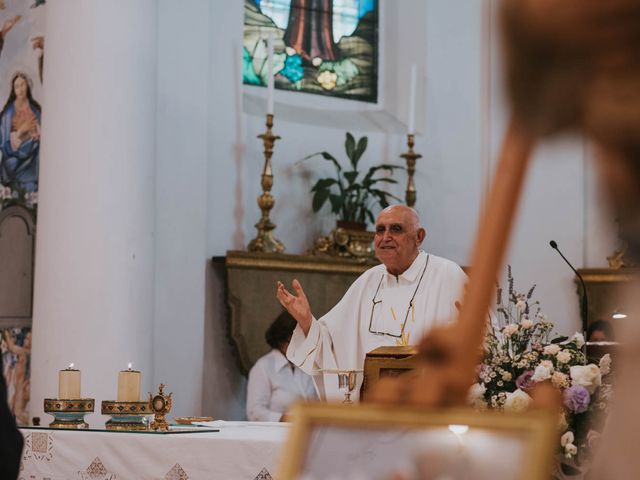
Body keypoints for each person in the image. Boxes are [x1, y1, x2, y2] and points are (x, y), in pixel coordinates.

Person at [276, 205, 467, 400]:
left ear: (419, 237)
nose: (385, 237)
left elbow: (485, 341)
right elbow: (330, 343)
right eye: (380, 230)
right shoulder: (368, 281)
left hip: (429, 407)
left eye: (396, 229)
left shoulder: (448, 276)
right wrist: (307, 321)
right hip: (374, 409)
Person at [246, 311, 317, 421]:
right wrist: (284, 418)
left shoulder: (308, 364)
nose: (301, 346)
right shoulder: (263, 367)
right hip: (274, 433)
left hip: (308, 431)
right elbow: (255, 411)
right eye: (295, 341)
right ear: (281, 340)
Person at [0, 72, 41, 192]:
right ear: (13, 90)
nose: (20, 89)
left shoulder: (36, 111)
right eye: (17, 86)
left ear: (28, 85)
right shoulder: (7, 114)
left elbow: (40, 136)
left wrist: (30, 136)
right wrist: (21, 132)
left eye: (22, 84)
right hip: (12, 162)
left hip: (31, 163)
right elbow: (3, 143)